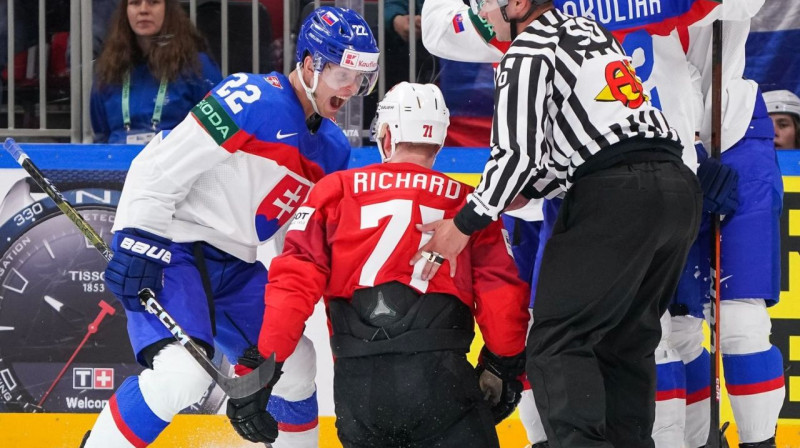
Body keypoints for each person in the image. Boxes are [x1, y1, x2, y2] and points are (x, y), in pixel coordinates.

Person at [80, 6, 379, 448]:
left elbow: (289, 239)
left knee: (293, 363)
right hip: (176, 246)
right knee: (182, 376)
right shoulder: (251, 98)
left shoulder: (333, 148)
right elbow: (159, 166)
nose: (353, 89)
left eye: (363, 79)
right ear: (312, 64)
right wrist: (136, 240)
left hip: (237, 264)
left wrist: (288, 305)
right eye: (345, 75)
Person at [415, 0, 705, 446]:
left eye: (486, 4)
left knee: (556, 342)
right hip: (675, 191)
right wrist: (528, 190)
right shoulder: (589, 33)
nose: (480, 15)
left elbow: (517, 155)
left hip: (615, 197)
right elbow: (592, 140)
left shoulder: (527, 50)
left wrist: (465, 223)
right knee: (625, 343)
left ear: (518, 4)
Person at [226, 82, 530, 447]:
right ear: (441, 139)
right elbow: (501, 292)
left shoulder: (333, 190)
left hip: (360, 392)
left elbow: (293, 282)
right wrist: (503, 363)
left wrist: (261, 368)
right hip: (441, 381)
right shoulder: (469, 206)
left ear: (386, 134)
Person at [673, 1, 786, 446]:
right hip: (657, 151)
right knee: (671, 326)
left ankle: (761, 442)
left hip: (734, 137)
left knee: (741, 322)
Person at [90, 0, 222, 144]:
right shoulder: (108, 69)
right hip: (119, 164)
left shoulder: (197, 66)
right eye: (135, 3)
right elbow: (101, 133)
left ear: (168, 10)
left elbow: (219, 131)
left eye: (153, 2)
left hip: (178, 163)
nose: (143, 10)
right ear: (125, 12)